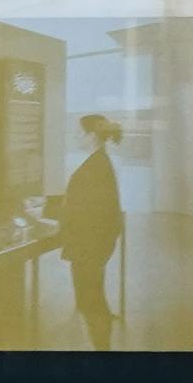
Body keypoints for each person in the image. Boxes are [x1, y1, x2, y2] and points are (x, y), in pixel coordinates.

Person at [46, 111, 129, 347]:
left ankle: (102, 349)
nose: (75, 136)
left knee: (91, 300)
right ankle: (100, 343)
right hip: (93, 245)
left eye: (78, 132)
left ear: (91, 135)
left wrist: (58, 217)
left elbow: (89, 209)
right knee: (92, 297)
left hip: (88, 245)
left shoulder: (95, 167)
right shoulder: (100, 162)